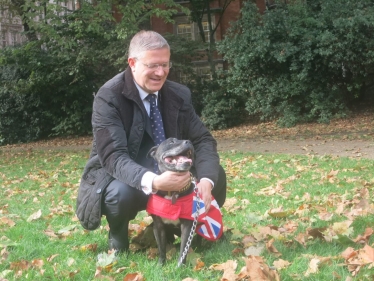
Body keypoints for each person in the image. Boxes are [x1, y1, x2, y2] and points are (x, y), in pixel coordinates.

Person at [76, 30, 227, 252]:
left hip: (172, 169)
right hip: (125, 175)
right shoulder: (109, 96)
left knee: (216, 174)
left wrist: (205, 180)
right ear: (132, 63)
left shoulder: (179, 94)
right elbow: (113, 157)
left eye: (165, 65)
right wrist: (155, 182)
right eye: (153, 65)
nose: (161, 72)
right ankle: (118, 238)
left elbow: (202, 139)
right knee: (119, 194)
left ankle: (189, 227)